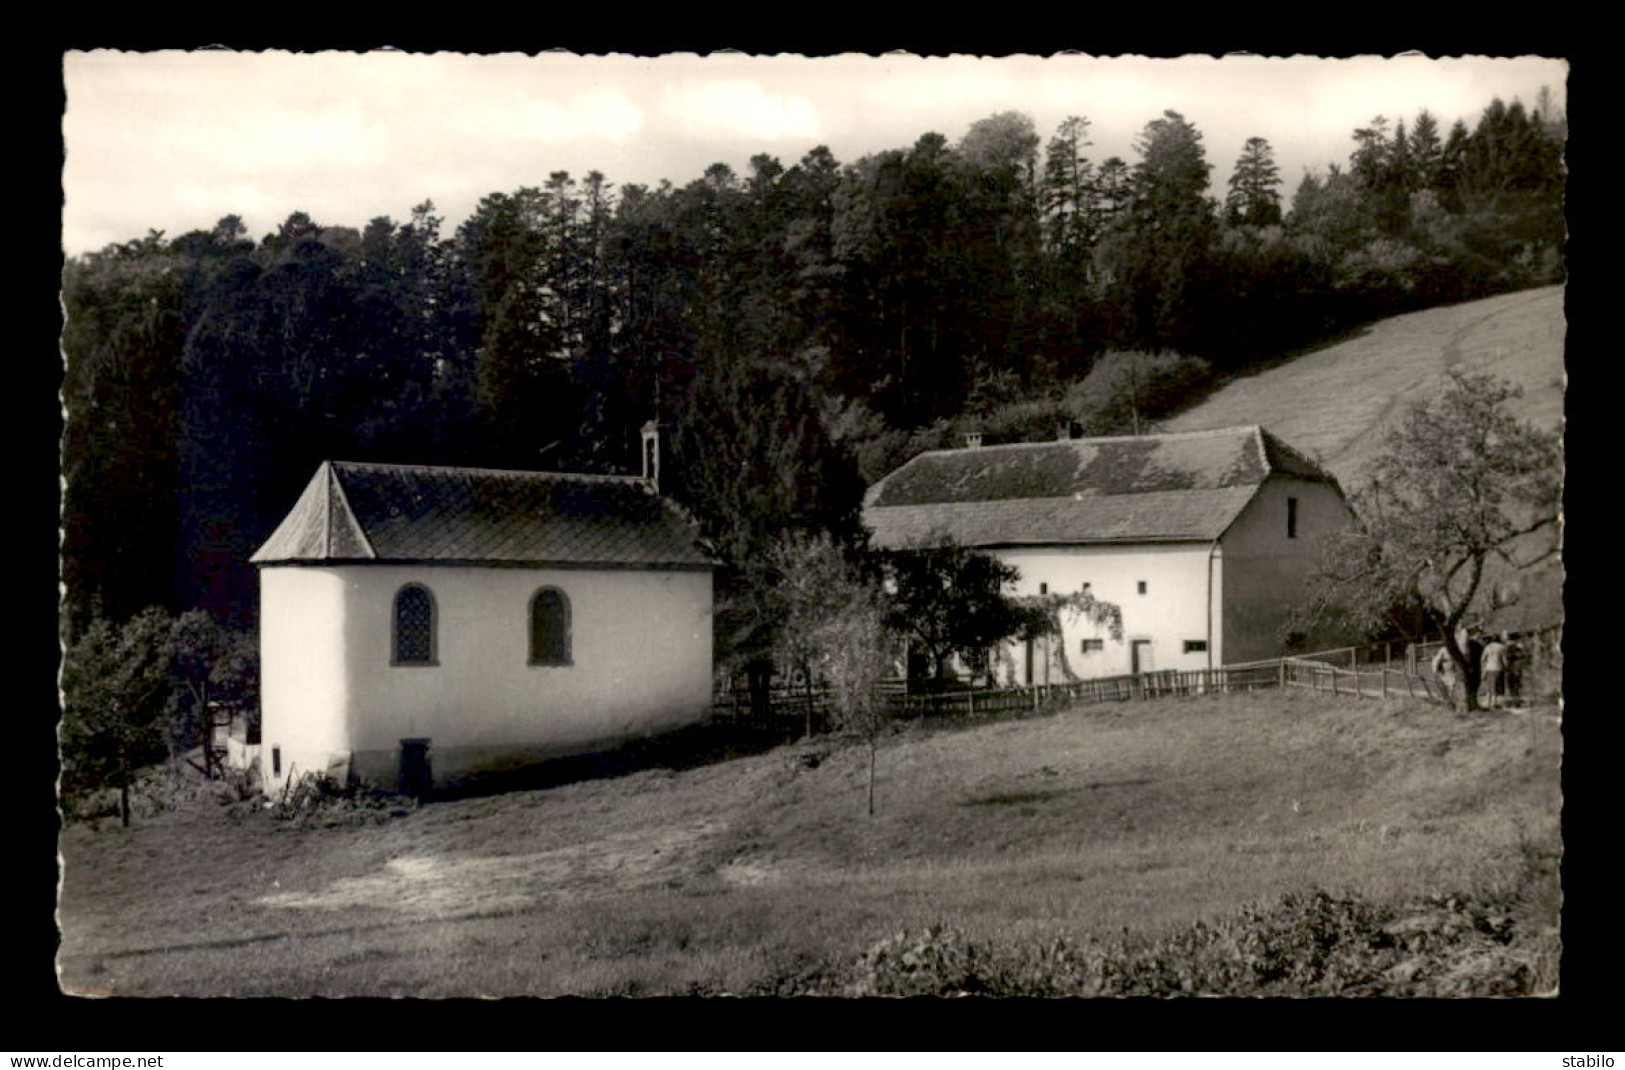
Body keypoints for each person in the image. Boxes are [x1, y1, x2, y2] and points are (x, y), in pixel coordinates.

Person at [1479, 632, 1508, 709]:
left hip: (1489, 668)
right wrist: (1506, 668)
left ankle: (1489, 702)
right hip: (1499, 668)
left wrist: (1483, 669)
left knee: (1490, 686)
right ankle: (1495, 703)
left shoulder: (1488, 647)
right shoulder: (1502, 647)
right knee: (1498, 687)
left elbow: (1482, 659)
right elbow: (1505, 661)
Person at [1431, 644, 1458, 709]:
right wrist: (1435, 669)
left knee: (1452, 685)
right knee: (1446, 685)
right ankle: (1449, 702)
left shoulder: (1455, 649)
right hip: (1445, 670)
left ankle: (1451, 702)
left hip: (1452, 669)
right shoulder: (1443, 650)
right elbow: (1436, 660)